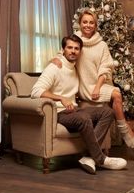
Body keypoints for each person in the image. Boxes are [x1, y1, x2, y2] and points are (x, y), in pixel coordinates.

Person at [53, 9, 134, 163]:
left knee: (116, 94)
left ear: (96, 25)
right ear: (80, 24)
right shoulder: (75, 41)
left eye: (91, 22)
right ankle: (121, 142)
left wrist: (98, 87)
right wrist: (56, 60)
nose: (88, 25)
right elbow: (63, 54)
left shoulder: (102, 45)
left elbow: (105, 68)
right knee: (116, 95)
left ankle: (125, 134)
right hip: (82, 86)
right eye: (85, 22)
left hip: (98, 83)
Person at [31, 34, 127, 174]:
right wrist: (60, 98)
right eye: (69, 47)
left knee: (108, 112)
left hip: (74, 110)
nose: (73, 51)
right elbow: (35, 91)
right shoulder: (54, 67)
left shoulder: (75, 68)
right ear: (63, 50)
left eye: (76, 48)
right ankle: (100, 159)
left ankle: (89, 157)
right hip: (58, 112)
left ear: (80, 51)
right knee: (84, 118)